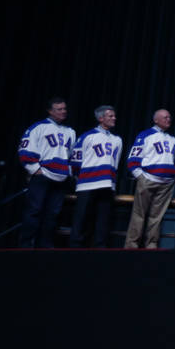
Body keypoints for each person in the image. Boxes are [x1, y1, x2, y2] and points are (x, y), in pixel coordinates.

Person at [18, 97, 75, 248]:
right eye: (59, 109)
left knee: (53, 214)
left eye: (64, 109)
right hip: (42, 175)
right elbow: (25, 149)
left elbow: (70, 154)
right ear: (50, 111)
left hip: (61, 177)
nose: (63, 112)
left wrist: (68, 171)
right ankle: (26, 246)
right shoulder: (39, 127)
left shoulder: (70, 131)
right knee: (34, 211)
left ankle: (45, 247)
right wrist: (35, 169)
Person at [69, 105, 123, 248]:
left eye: (114, 116)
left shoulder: (117, 139)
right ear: (101, 118)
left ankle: (100, 248)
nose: (114, 118)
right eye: (110, 116)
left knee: (103, 219)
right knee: (82, 217)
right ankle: (75, 247)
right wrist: (78, 178)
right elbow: (75, 160)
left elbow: (115, 163)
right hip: (87, 183)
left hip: (107, 184)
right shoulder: (87, 136)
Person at [124, 109, 175, 249]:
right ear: (156, 120)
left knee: (157, 217)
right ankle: (132, 246)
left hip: (166, 184)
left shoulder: (172, 139)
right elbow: (132, 159)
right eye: (165, 117)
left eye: (169, 117)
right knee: (139, 215)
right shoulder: (145, 136)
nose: (168, 119)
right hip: (148, 179)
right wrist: (141, 177)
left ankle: (151, 246)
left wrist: (172, 176)